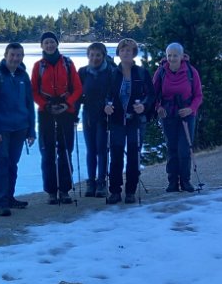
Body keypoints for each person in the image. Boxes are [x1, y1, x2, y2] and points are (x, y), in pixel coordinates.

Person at [0, 42, 37, 216]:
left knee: (12, 164)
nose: (15, 58)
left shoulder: (23, 76)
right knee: (0, 163)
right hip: (2, 129)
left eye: (19, 55)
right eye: (12, 55)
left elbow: (29, 104)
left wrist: (31, 130)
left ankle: (9, 197)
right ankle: (1, 201)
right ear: (5, 55)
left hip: (20, 127)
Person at [31, 32, 83, 205]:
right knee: (47, 152)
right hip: (46, 112)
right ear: (42, 45)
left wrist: (67, 104)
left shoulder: (68, 63)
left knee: (65, 151)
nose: (49, 45)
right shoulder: (38, 66)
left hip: (65, 111)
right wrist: (46, 105)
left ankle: (65, 190)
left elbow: (78, 88)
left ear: (57, 43)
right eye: (46, 42)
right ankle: (51, 191)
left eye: (52, 42)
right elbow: (34, 91)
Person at [103, 39, 154, 204]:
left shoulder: (142, 73)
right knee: (116, 157)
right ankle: (115, 191)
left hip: (136, 122)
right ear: (118, 53)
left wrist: (143, 106)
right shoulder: (112, 74)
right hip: (117, 121)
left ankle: (130, 191)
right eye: (123, 50)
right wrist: (106, 106)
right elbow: (106, 95)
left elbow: (151, 95)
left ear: (134, 53)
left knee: (133, 157)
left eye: (129, 50)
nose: (125, 53)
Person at [152, 42, 204, 192]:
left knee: (185, 148)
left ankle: (185, 181)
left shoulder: (191, 72)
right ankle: (172, 182)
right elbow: (153, 94)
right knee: (172, 148)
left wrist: (191, 109)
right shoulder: (161, 72)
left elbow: (198, 95)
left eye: (175, 55)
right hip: (168, 115)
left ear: (182, 56)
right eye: (169, 55)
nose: (172, 58)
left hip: (187, 115)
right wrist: (158, 107)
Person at [78, 43, 115, 198]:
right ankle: (91, 182)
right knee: (91, 149)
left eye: (98, 55)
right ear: (88, 56)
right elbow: (77, 93)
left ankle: (101, 182)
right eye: (92, 55)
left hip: (104, 115)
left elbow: (113, 92)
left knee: (102, 149)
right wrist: (74, 112)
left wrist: (109, 104)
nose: (94, 58)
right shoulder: (83, 72)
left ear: (103, 56)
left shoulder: (111, 71)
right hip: (88, 115)